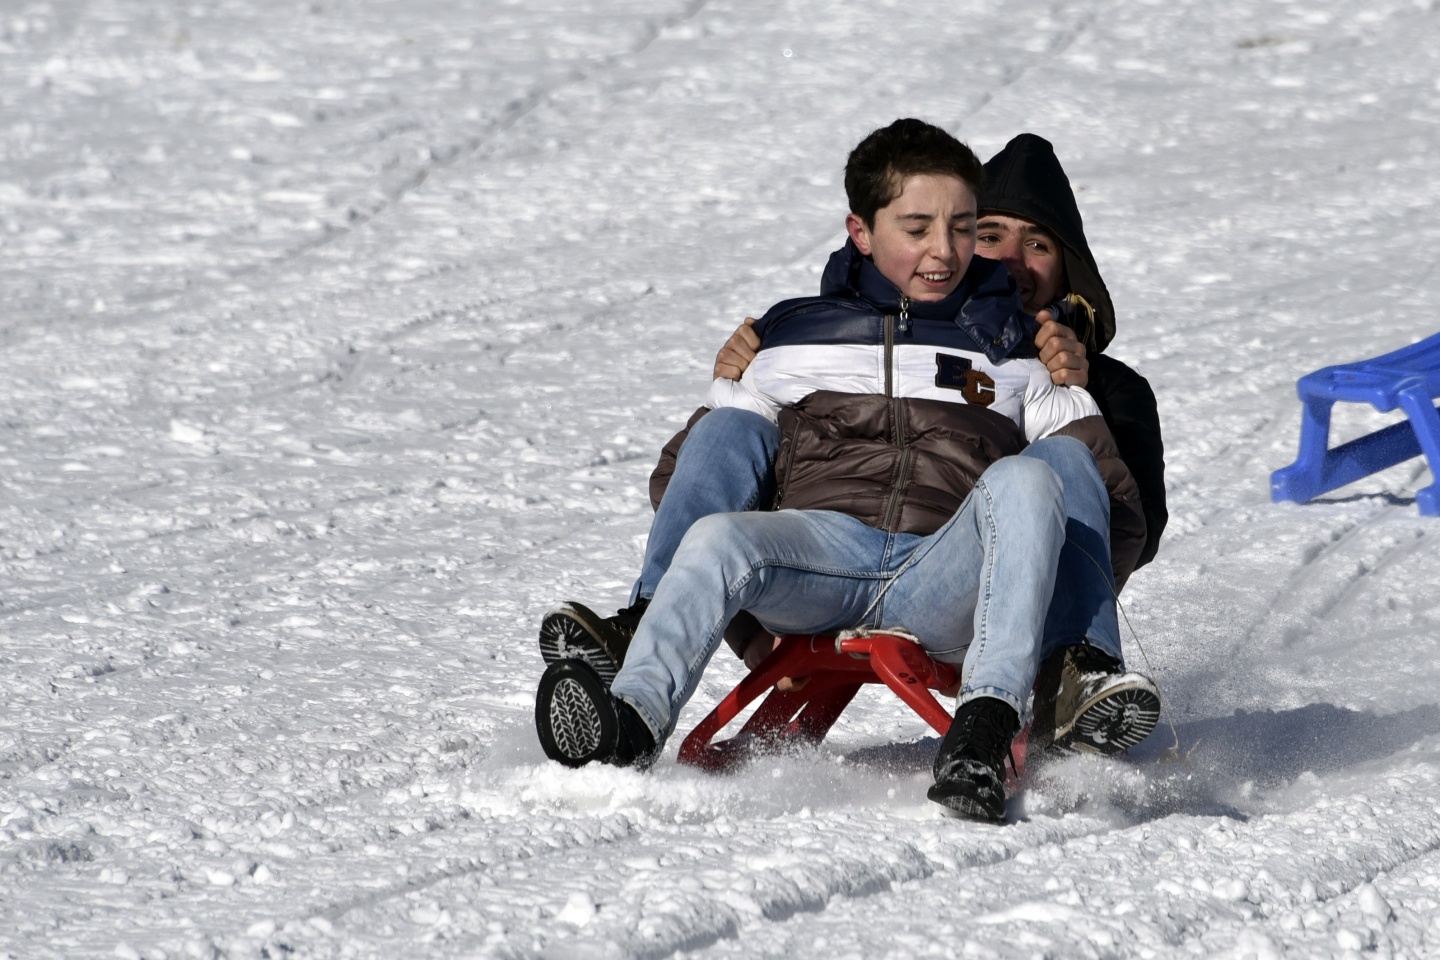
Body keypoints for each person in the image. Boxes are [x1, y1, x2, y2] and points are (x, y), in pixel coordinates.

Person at [535, 119, 1151, 821]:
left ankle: (987, 724)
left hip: (943, 573)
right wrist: (724, 394)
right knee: (718, 518)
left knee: (1043, 470)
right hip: (820, 557)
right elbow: (694, 482)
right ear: (861, 230)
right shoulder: (791, 335)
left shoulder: (1020, 351)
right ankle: (632, 716)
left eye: (959, 227)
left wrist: (1077, 398)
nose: (942, 251)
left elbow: (1099, 502)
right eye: (916, 227)